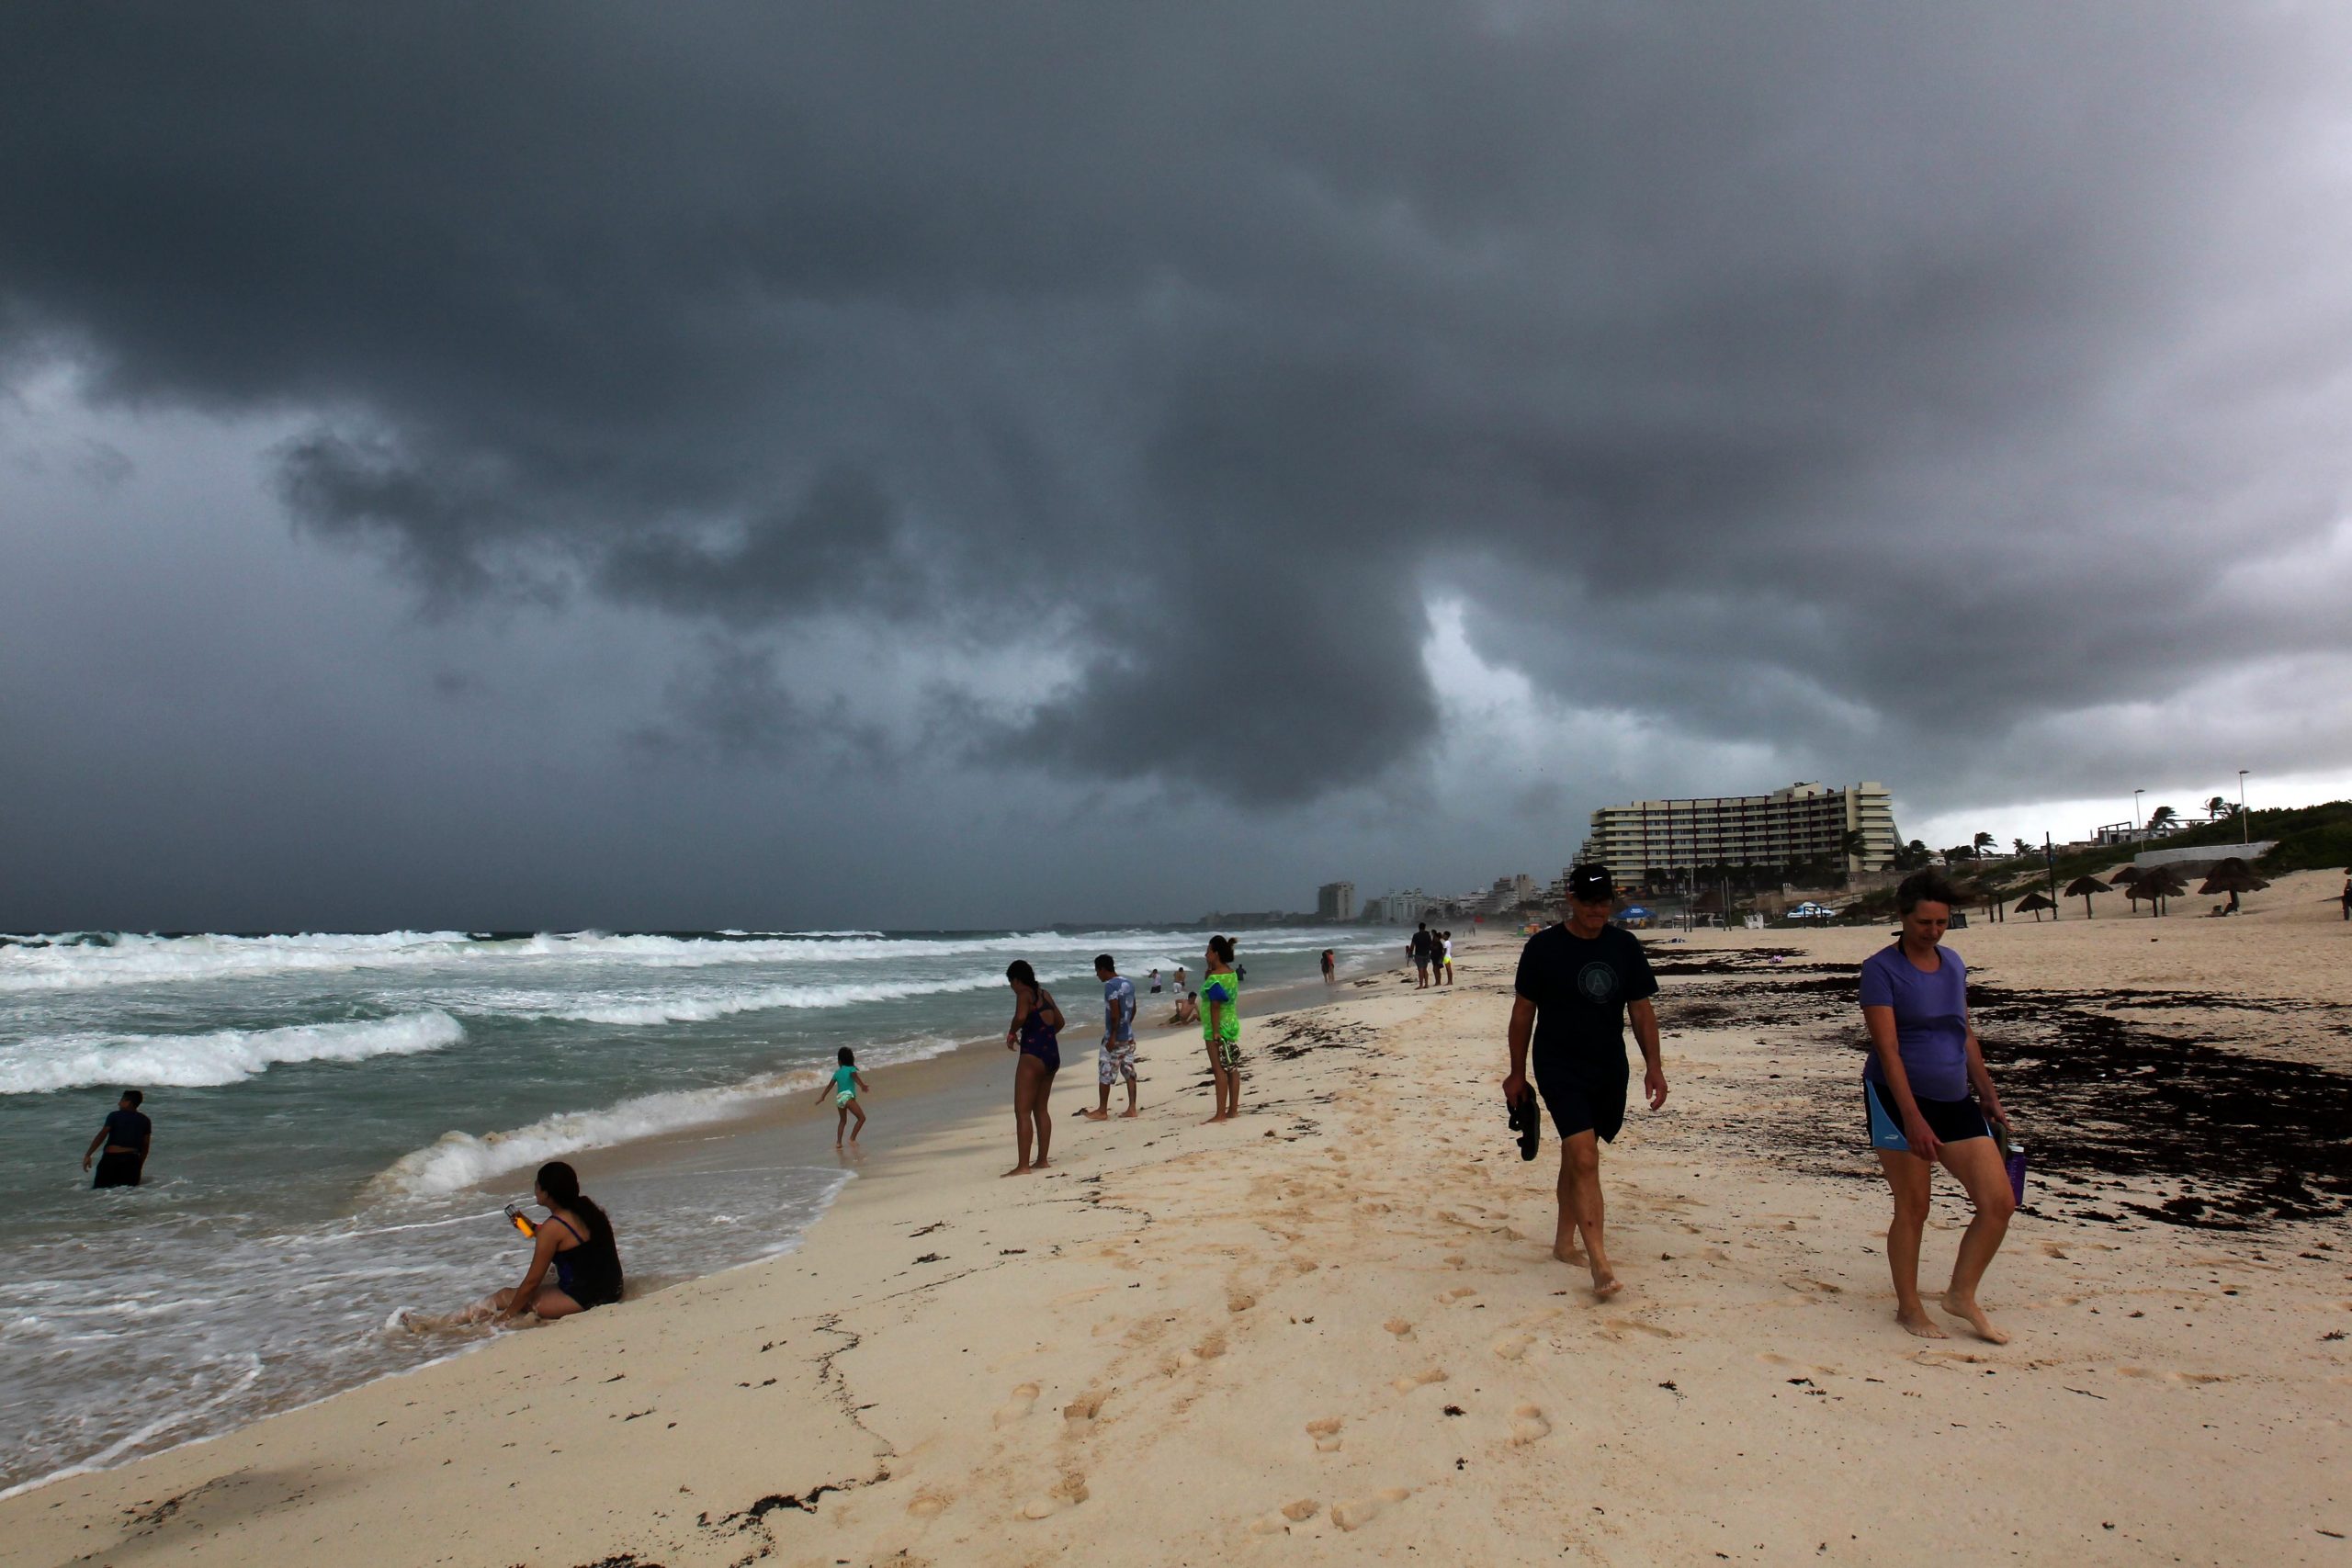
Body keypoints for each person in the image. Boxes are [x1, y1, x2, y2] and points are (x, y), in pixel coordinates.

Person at [1861, 871, 2017, 1344]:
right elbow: (1887, 1049)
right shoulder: (1880, 969)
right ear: (1903, 918)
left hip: (1954, 1096)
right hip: (1896, 1098)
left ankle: (1960, 1295)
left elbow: (1962, 1029)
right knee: (1914, 1206)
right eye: (1924, 922)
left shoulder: (1952, 964)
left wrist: (1986, 1092)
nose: (1933, 931)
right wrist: (1913, 1120)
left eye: (1941, 923)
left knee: (1999, 1203)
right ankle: (1909, 1308)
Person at [1500, 865, 1667, 1300]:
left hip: (1609, 1066)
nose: (1598, 909)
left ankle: (1562, 1242)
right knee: (1584, 1155)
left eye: (1604, 901)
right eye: (1590, 901)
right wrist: (1516, 1072)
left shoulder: (1624, 946)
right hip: (1558, 1065)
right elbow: (1523, 1015)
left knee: (1578, 1154)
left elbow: (1641, 1010)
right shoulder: (1543, 948)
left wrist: (1655, 1066)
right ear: (1571, 899)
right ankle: (1600, 1264)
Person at [471, 1161, 623, 1322]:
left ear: (546, 1193)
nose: (535, 1189)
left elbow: (531, 1282)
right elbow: (562, 1239)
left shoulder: (553, 1227)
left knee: (503, 1296)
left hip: (589, 1298)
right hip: (614, 1288)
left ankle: (454, 1321)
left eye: (537, 1185)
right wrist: (527, 1226)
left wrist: (507, 1316)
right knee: (552, 1272)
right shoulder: (586, 1209)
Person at [1002, 960, 1063, 1175]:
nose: (1012, 987)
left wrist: (1012, 1033)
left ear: (1017, 980)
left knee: (1022, 1112)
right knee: (1041, 1109)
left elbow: (1020, 1016)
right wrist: (1045, 1036)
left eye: (1011, 982)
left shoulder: (1024, 995)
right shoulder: (1044, 994)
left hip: (1032, 1056)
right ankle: (1042, 1160)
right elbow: (1060, 1022)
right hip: (1052, 1055)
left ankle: (1023, 1166)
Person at [1087, 953, 1140, 1120]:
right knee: (1129, 1070)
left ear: (1103, 969)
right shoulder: (1128, 983)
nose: (1097, 975)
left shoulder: (1110, 986)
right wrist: (1127, 1026)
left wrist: (1113, 1036)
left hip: (1115, 1037)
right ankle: (1132, 1108)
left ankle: (1102, 1110)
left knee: (1105, 1070)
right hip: (1129, 1036)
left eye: (1097, 971)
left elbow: (1115, 1014)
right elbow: (1134, 1008)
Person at [1199, 935, 1242, 1122]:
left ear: (1215, 953)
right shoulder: (1231, 973)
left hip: (1216, 1027)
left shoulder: (1215, 978)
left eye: (1208, 951)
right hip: (1231, 1023)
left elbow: (1215, 1005)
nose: (1205, 954)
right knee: (1232, 1067)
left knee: (1219, 1070)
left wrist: (1215, 1031)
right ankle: (1232, 1110)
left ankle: (1220, 1114)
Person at [83, 1089, 152, 1189]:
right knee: (126, 1196)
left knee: (100, 1193)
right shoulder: (145, 1120)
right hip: (132, 1161)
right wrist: (138, 1166)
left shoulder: (114, 1115)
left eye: (122, 1100)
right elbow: (145, 1146)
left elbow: (102, 1134)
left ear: (128, 1102)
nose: (118, 1103)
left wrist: (88, 1154)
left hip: (111, 1160)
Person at [817, 1046, 868, 1145]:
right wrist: (862, 1086)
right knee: (862, 1118)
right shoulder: (851, 1069)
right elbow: (855, 1077)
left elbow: (829, 1086)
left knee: (842, 1121)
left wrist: (823, 1096)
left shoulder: (837, 1073)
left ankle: (838, 1142)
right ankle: (852, 1139)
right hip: (848, 1097)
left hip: (839, 1098)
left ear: (839, 1061)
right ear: (851, 1059)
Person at [1411, 922, 1432, 988]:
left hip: (1419, 954)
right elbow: (1430, 945)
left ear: (1419, 927)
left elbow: (1412, 945)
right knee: (1425, 969)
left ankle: (1421, 985)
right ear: (1424, 927)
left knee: (1420, 970)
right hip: (1426, 954)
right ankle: (1426, 984)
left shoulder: (1416, 935)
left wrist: (1410, 954)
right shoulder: (1428, 935)